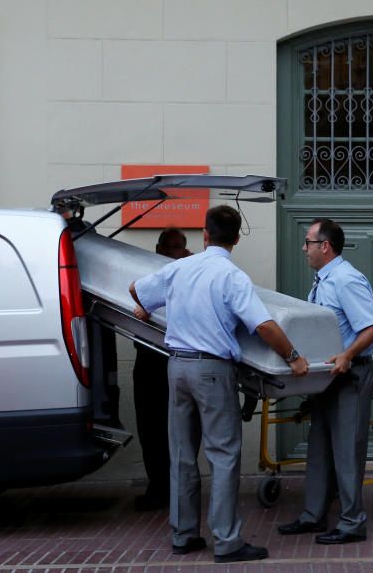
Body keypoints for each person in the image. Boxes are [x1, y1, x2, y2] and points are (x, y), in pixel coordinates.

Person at [129, 205, 310, 563]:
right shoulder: (232, 276)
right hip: (212, 371)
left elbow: (136, 288)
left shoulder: (180, 267)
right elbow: (264, 326)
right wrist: (294, 357)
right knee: (223, 455)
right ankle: (226, 541)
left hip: (176, 366)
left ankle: (183, 535)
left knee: (182, 454)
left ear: (205, 234)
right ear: (236, 239)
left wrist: (145, 309)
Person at [278, 218, 373, 545]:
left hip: (349, 376)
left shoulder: (345, 279)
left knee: (347, 450)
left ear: (324, 246)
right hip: (324, 379)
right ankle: (313, 515)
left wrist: (347, 355)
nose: (304, 248)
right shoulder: (324, 279)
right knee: (320, 448)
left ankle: (353, 522)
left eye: (308, 242)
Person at [132, 227, 192, 511]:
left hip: (173, 360)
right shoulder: (148, 273)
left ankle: (172, 488)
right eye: (167, 247)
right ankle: (157, 486)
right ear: (157, 249)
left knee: (173, 430)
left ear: (186, 251)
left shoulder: (189, 275)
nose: (172, 252)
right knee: (149, 428)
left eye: (178, 247)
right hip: (147, 360)